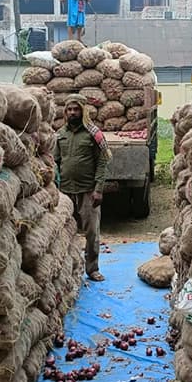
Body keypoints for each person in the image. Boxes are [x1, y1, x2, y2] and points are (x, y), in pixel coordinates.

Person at [54, 94, 110, 282]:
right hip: (66, 191)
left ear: (83, 111)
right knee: (65, 231)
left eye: (76, 109)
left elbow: (102, 162)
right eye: (69, 109)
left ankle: (92, 269)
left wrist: (98, 188)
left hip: (88, 191)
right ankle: (68, 268)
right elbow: (55, 161)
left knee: (92, 232)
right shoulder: (60, 134)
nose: (72, 113)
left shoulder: (93, 134)